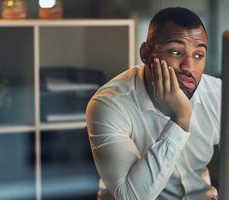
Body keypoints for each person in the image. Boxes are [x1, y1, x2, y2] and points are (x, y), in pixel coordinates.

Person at [86, 7, 221, 200]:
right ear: (146, 53)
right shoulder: (109, 104)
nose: (189, 67)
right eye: (176, 52)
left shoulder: (217, 93)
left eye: (199, 55)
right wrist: (180, 119)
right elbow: (131, 197)